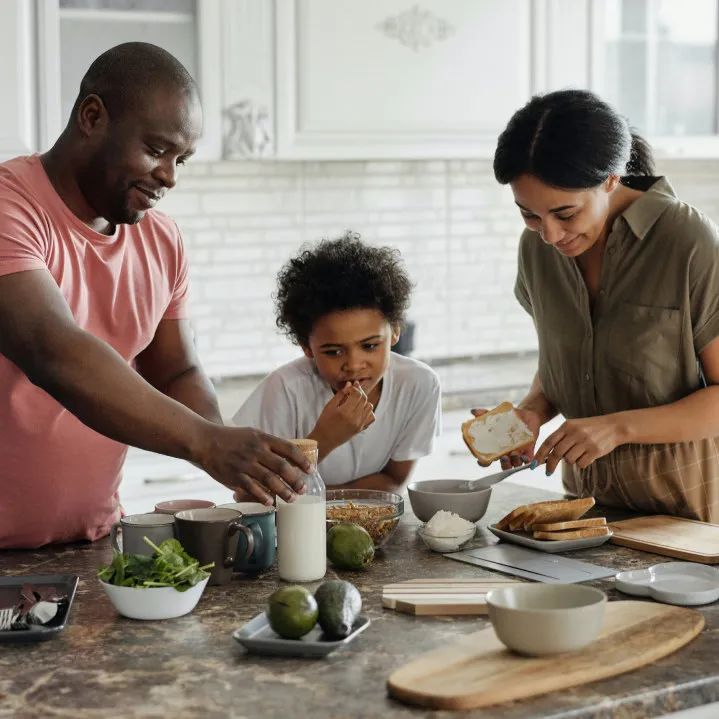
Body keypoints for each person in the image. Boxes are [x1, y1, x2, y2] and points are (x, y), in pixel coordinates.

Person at [0, 43, 309, 549]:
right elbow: (51, 350)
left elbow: (176, 371)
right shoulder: (11, 206)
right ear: (92, 116)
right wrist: (205, 442)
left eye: (181, 159)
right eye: (157, 150)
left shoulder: (160, 239)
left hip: (93, 542)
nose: (169, 176)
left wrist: (241, 464)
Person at [485, 88, 719, 521]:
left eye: (566, 214)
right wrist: (532, 412)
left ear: (611, 179)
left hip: (689, 515)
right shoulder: (536, 250)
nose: (550, 235)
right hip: (585, 513)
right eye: (529, 215)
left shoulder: (687, 242)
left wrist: (616, 428)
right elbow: (567, 361)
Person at [232, 233, 441, 491]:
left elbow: (393, 481)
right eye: (333, 352)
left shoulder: (419, 384)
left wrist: (322, 501)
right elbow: (250, 495)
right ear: (307, 346)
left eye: (370, 346)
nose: (353, 365)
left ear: (395, 330)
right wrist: (325, 438)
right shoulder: (285, 390)